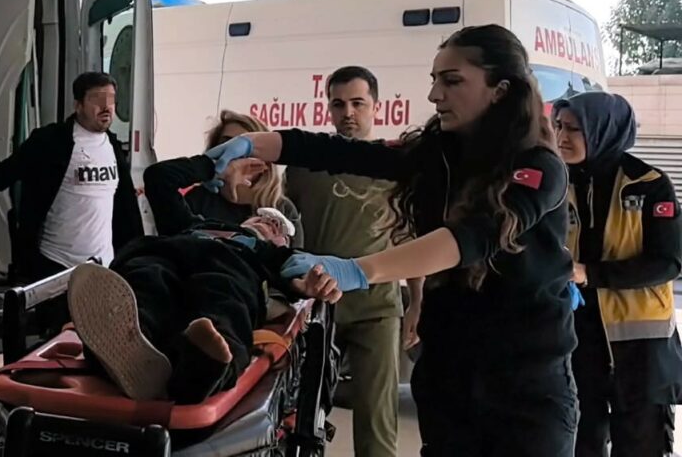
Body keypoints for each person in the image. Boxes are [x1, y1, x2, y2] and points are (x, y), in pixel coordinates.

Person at [213, 25, 578, 457]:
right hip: (449, 379)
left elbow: (472, 238)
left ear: (500, 90)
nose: (435, 95)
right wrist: (254, 143)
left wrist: (358, 270)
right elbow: (344, 153)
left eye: (452, 81)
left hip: (526, 389)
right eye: (434, 80)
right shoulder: (439, 155)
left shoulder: (539, 167)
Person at [283, 66, 420, 457]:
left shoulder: (395, 167)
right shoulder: (305, 166)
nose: (348, 113)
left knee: (377, 424)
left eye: (358, 103)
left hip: (377, 308)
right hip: (319, 306)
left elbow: (410, 239)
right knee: (301, 418)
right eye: (339, 104)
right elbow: (284, 229)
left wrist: (418, 302)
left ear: (376, 106)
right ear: (328, 108)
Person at [66, 212, 340, 404]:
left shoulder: (270, 254)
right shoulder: (198, 225)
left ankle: (203, 367)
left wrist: (305, 285)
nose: (268, 222)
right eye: (261, 217)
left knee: (224, 298)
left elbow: (297, 277)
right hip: (166, 253)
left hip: (232, 265)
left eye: (277, 227)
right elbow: (161, 178)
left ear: (282, 242)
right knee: (146, 280)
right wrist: (217, 166)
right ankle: (131, 346)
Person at [554, 92, 682, 457]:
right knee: (580, 442)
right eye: (558, 126)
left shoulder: (648, 183)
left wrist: (589, 273)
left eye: (573, 129)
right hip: (576, 339)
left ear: (602, 130)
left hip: (640, 349)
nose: (561, 136)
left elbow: (668, 262)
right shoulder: (555, 182)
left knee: (642, 445)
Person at [0, 72, 142, 284]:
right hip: (56, 263)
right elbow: (9, 169)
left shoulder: (113, 147)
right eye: (97, 100)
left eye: (110, 100)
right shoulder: (51, 141)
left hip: (103, 265)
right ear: (78, 105)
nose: (106, 107)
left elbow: (122, 203)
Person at [144, 110, 303, 244]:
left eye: (244, 150)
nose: (234, 156)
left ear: (265, 162)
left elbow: (298, 263)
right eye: (226, 146)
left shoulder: (282, 209)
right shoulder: (198, 201)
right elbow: (158, 177)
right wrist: (209, 166)